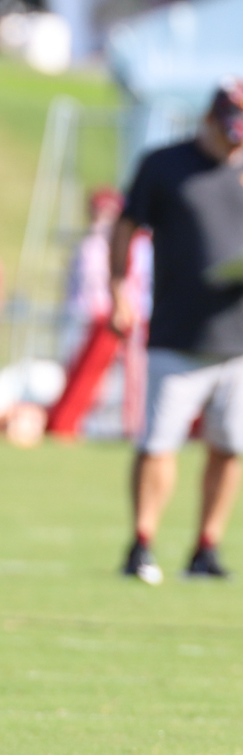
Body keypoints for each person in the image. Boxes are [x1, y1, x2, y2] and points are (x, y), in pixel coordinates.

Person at [111, 80, 243, 584]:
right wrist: (120, 289)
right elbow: (126, 227)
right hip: (178, 330)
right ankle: (142, 543)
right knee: (158, 442)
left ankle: (206, 547)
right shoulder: (164, 164)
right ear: (211, 120)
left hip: (238, 339)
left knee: (229, 446)